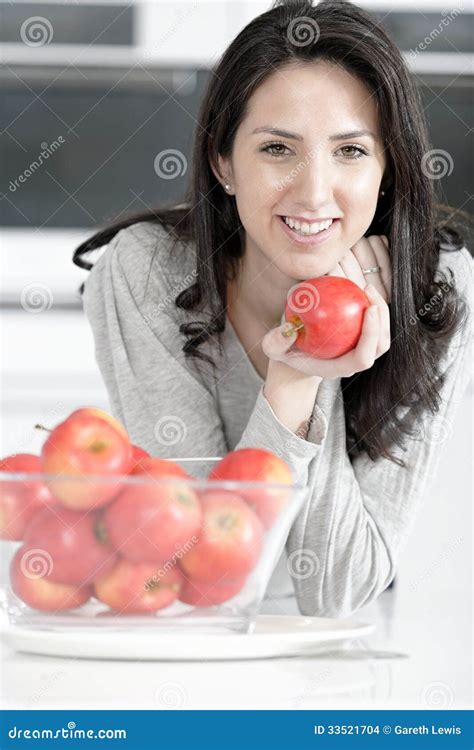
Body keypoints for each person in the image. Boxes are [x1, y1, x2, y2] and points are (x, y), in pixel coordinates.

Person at [73, 0, 472, 618]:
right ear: (223, 162)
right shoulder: (146, 272)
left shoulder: (438, 288)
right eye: (278, 149)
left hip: (349, 659)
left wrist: (327, 348)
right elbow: (201, 565)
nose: (314, 192)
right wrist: (299, 374)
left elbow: (335, 589)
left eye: (351, 151)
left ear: (388, 166)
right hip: (188, 640)